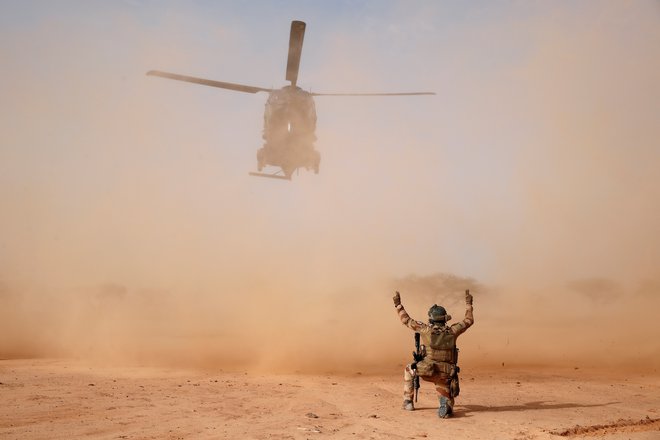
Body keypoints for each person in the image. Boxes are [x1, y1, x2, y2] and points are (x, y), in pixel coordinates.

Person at [393, 289, 474, 418]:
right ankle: (446, 403)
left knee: (409, 369)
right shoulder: (453, 331)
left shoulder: (425, 329)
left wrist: (398, 305)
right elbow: (469, 320)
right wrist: (469, 304)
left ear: (431, 318)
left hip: (427, 371)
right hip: (446, 374)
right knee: (445, 395)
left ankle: (408, 401)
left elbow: (406, 320)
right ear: (444, 319)